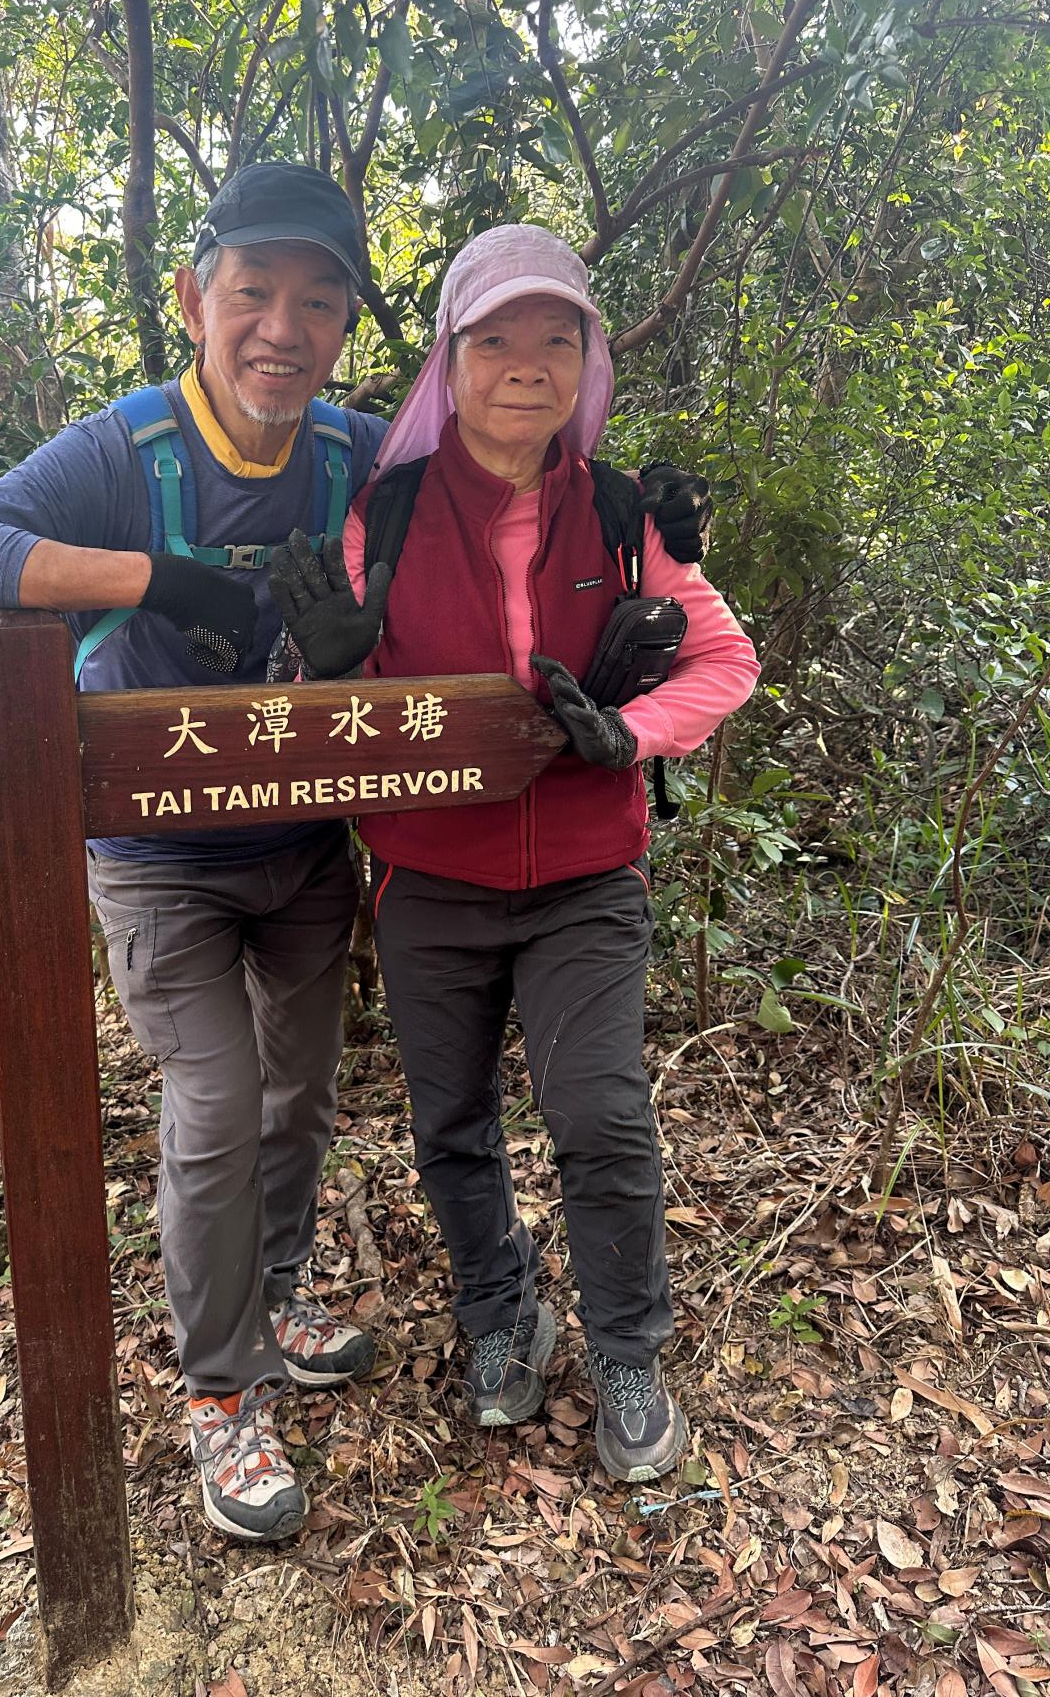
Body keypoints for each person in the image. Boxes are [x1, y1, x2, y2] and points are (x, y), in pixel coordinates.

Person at [0, 166, 712, 1540]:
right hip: (160, 859)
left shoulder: (353, 454)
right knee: (216, 1110)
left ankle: (272, 1292)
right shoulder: (126, 455)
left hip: (309, 850)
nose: (283, 327)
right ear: (192, 298)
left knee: (297, 1103)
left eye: (318, 303)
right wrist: (154, 579)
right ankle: (222, 1391)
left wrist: (659, 537)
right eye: (253, 293)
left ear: (344, 326)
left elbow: (495, 461)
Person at [269, 224, 760, 1483]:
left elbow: (724, 660)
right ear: (452, 359)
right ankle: (501, 1312)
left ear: (588, 361)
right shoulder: (387, 511)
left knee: (600, 1115)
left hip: (587, 878)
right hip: (429, 879)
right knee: (450, 1121)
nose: (526, 365)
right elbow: (335, 717)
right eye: (495, 339)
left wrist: (629, 734)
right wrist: (329, 674)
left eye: (556, 338)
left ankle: (630, 1352)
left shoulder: (623, 513)